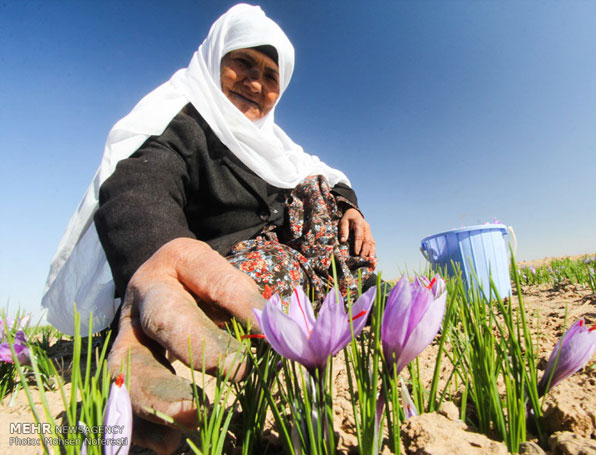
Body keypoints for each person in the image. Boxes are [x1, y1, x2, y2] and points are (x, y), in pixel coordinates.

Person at [41, 4, 377, 453]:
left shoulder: (276, 145)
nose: (256, 83)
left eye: (270, 75)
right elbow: (138, 187)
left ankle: (328, 306)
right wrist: (157, 261)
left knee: (316, 191)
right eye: (242, 62)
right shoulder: (181, 122)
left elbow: (321, 172)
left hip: (292, 268)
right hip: (219, 275)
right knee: (268, 268)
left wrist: (347, 206)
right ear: (214, 58)